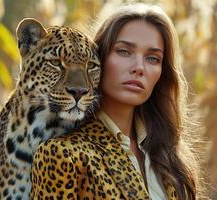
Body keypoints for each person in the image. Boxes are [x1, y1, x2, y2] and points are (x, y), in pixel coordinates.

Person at [31, 3, 202, 200]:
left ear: (162, 73)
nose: (139, 68)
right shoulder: (62, 154)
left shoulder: (169, 158)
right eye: (124, 51)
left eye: (153, 58)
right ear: (98, 58)